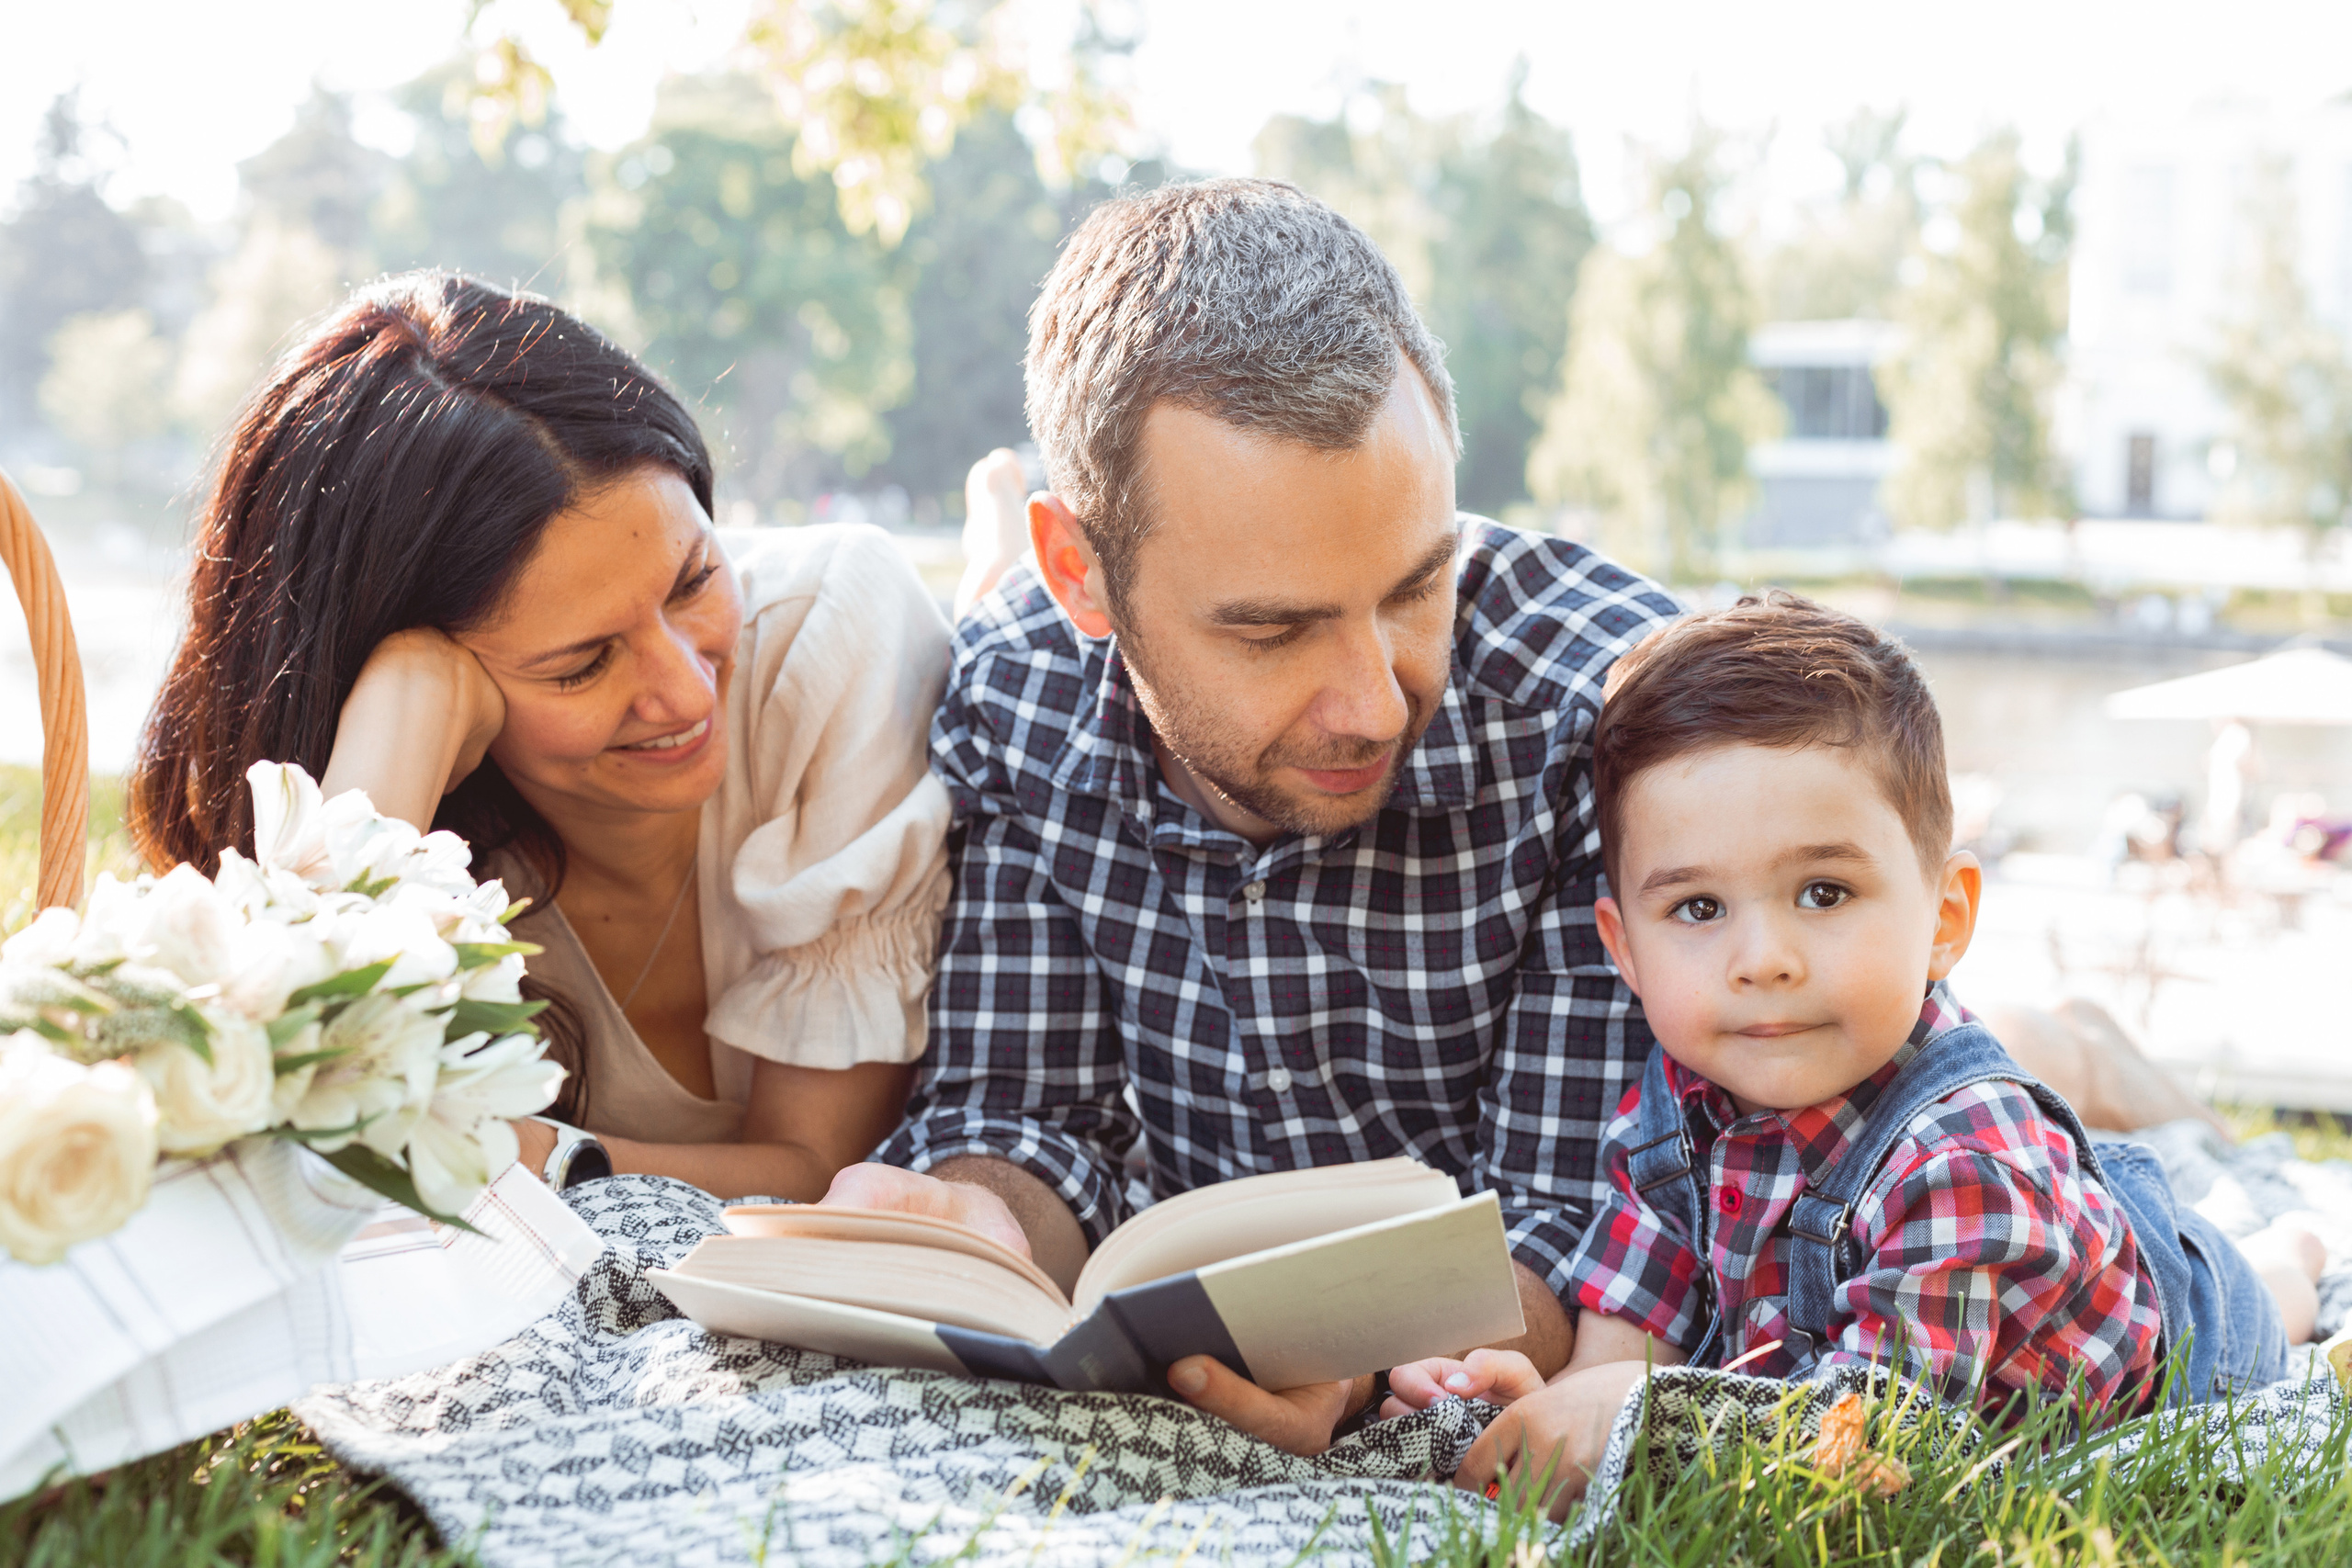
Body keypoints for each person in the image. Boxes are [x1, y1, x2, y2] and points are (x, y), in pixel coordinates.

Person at [818, 177, 1683, 1455]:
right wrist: (978, 1222)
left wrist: (1360, 1353)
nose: (1375, 701)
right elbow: (1029, 1113)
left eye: (1414, 585)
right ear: (1078, 571)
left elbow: (1592, 1219)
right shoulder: (1018, 699)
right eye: (1272, 628)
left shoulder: (1602, 711)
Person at [1383, 593, 2327, 1514]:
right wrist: (1554, 1408)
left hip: (2161, 1339)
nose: (1762, 961)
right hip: (1932, 1304)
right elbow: (1630, 1334)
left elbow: (1879, 1449)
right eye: (1698, 909)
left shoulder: (1960, 1161)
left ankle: (2288, 1255)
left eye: (1823, 893)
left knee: (2262, 1304)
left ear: (1945, 917)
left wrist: (1632, 1419)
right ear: (1624, 947)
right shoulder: (1682, 1090)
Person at [127, 272, 952, 1201]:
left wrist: (499, 1154)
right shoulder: (428, 800)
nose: (684, 691)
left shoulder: (829, 632)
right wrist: (404, 717)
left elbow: (816, 1173)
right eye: (582, 663)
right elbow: (298, 1128)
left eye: (691, 580)